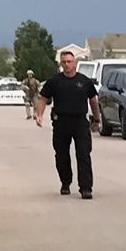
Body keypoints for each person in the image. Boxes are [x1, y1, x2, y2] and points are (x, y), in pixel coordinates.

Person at [34, 49, 101, 198]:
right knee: (61, 155)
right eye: (64, 62)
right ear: (61, 64)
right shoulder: (54, 81)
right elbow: (43, 98)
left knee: (83, 154)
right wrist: (39, 114)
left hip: (80, 123)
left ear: (75, 63)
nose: (67, 64)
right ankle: (65, 182)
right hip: (61, 122)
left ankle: (86, 188)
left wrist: (96, 119)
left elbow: (93, 100)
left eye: (69, 61)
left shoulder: (84, 81)